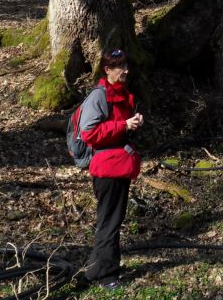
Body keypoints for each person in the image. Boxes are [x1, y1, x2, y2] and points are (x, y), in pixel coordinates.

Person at [80, 48, 144, 288]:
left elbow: (117, 127)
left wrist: (133, 124)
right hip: (108, 168)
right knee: (110, 222)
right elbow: (89, 133)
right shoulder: (99, 96)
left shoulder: (121, 93)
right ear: (107, 70)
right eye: (120, 67)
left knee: (109, 220)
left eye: (126, 65)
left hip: (119, 165)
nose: (126, 70)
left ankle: (95, 269)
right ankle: (107, 275)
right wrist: (122, 125)